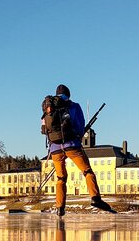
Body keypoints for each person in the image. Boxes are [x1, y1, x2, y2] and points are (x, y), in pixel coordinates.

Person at [41, 84, 112, 216]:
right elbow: (80, 125)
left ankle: (60, 207)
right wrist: (78, 137)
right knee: (87, 171)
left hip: (55, 148)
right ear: (68, 94)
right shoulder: (74, 106)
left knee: (61, 178)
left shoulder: (48, 108)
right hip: (72, 145)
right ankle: (95, 198)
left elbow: (45, 130)